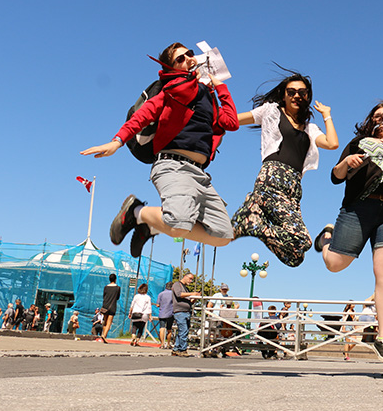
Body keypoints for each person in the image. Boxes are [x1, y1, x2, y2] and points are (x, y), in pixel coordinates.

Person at [81, 42, 240, 257]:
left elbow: (231, 122)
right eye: (180, 59)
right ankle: (137, 212)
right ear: (172, 68)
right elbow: (141, 117)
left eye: (189, 54)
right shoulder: (171, 92)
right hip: (173, 166)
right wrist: (116, 142)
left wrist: (220, 88)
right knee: (179, 225)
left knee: (223, 236)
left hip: (200, 175)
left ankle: (150, 226)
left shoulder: (207, 96)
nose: (188, 59)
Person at [313, 101, 383, 361]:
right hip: (358, 209)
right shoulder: (358, 142)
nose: (382, 120)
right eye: (377, 116)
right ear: (370, 120)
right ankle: (326, 237)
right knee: (335, 264)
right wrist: (346, 162)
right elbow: (336, 177)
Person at [232, 70, 338, 267]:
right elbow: (233, 120)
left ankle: (253, 222)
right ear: (284, 95)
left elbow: (332, 143)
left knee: (296, 255)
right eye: (291, 91)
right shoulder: (271, 111)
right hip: (272, 178)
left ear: (307, 96)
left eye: (302, 92)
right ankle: (253, 224)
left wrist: (327, 115)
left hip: (293, 188)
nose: (297, 95)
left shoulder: (309, 129)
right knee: (303, 239)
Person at [172, 272, 201, 357]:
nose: (191, 281)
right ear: (185, 277)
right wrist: (192, 293)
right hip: (180, 311)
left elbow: (190, 301)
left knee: (182, 331)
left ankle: (176, 349)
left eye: (192, 279)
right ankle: (183, 349)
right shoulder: (177, 285)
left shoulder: (186, 289)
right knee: (183, 330)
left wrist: (196, 297)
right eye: (190, 278)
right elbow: (179, 294)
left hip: (186, 311)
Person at [99, 273, 121, 343]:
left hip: (105, 305)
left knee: (105, 322)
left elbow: (104, 296)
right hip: (112, 306)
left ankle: (103, 334)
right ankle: (104, 335)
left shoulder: (106, 287)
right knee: (109, 322)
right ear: (115, 279)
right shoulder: (117, 288)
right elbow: (117, 298)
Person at [156, 281, 175, 349]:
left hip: (162, 313)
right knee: (169, 329)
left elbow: (158, 304)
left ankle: (162, 344)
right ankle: (168, 343)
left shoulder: (161, 294)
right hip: (171, 313)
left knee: (162, 328)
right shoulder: (173, 294)